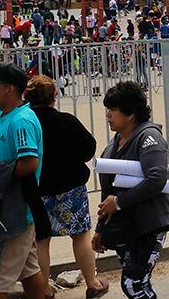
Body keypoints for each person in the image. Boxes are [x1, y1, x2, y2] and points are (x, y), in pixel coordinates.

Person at [26, 76, 109, 298]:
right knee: (80, 235)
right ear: (54, 96)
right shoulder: (66, 121)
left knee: (41, 240)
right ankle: (92, 283)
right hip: (70, 188)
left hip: (38, 190)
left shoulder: (26, 123)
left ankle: (44, 289)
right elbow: (88, 148)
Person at [92, 81, 169, 299]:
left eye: (113, 110)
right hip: (125, 227)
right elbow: (108, 190)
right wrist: (100, 229)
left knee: (133, 285)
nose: (108, 115)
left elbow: (157, 179)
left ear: (130, 114)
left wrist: (119, 202)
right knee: (138, 284)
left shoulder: (149, 137)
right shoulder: (115, 142)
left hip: (148, 225)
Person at [0, 63, 48, 299]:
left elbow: (29, 162)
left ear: (8, 89)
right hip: (17, 211)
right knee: (29, 270)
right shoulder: (2, 112)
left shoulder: (21, 121)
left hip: (12, 212)